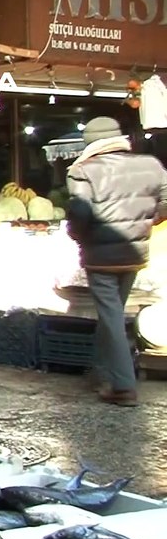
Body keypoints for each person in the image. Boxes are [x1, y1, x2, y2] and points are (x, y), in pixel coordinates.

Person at [65, 116, 167, 406]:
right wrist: (147, 222)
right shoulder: (151, 165)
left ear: (91, 144)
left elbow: (80, 215)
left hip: (100, 257)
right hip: (134, 256)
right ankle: (101, 372)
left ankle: (123, 386)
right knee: (111, 312)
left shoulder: (83, 171)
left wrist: (76, 235)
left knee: (111, 317)